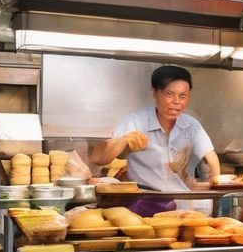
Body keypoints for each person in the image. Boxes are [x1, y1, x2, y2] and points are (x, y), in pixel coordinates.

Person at [90, 65, 220, 191]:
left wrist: (216, 182)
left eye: (182, 96)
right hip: (144, 201)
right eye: (169, 94)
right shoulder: (136, 121)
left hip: (182, 202)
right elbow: (100, 159)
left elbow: (211, 157)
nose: (176, 101)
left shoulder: (191, 125)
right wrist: (126, 140)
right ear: (154, 92)